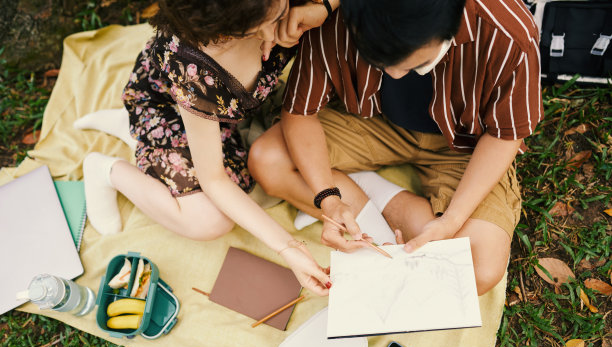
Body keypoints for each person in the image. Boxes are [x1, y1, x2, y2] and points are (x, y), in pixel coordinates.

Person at [248, 0, 543, 295]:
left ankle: (373, 198)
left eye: (418, 65)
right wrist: (329, 199)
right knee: (268, 160)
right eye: (376, 59)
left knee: (476, 269)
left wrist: (451, 221)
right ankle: (370, 208)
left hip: (467, 144)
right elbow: (301, 112)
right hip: (372, 121)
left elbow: (505, 135)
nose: (394, 75)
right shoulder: (339, 15)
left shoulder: (507, 31)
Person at [81, 0, 341, 296]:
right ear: (227, 32)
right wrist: (288, 247)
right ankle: (106, 169)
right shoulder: (193, 72)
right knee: (209, 220)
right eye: (272, 20)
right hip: (169, 108)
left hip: (221, 119)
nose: (284, 21)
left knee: (256, 185)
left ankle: (140, 136)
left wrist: (324, 6)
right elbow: (214, 180)